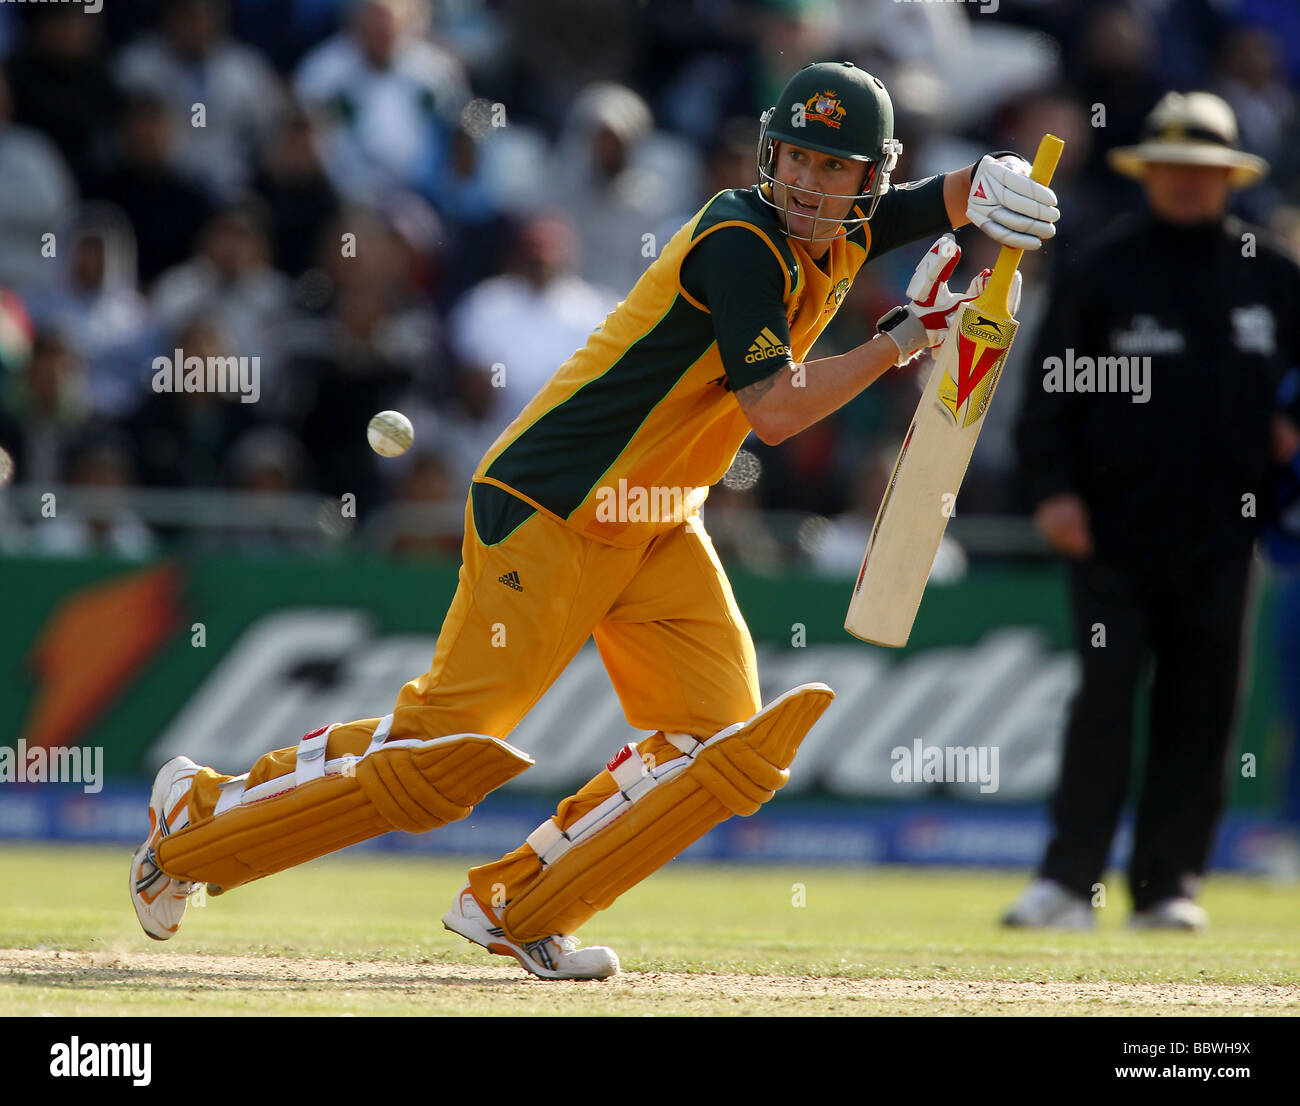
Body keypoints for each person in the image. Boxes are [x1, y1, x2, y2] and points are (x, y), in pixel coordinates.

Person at [130, 61, 1059, 978]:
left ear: (871, 178)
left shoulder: (848, 229)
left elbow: (947, 196)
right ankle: (194, 825)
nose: (809, 185)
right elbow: (773, 411)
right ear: (770, 155)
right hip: (550, 504)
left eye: (834, 167)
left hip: (656, 517)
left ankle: (521, 906)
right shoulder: (742, 236)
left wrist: (994, 182)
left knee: (722, 752)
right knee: (433, 765)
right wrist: (902, 340)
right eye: (796, 160)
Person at [1006, 91, 1300, 931]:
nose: (1184, 184)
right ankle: (1068, 884)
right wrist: (1055, 490)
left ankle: (1170, 887)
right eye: (1170, 168)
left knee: (1201, 708)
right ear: (1148, 174)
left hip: (1226, 535)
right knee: (1103, 700)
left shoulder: (1270, 271)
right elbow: (1045, 393)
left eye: (1202, 171)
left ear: (1229, 178)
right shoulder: (1104, 267)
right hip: (1112, 531)